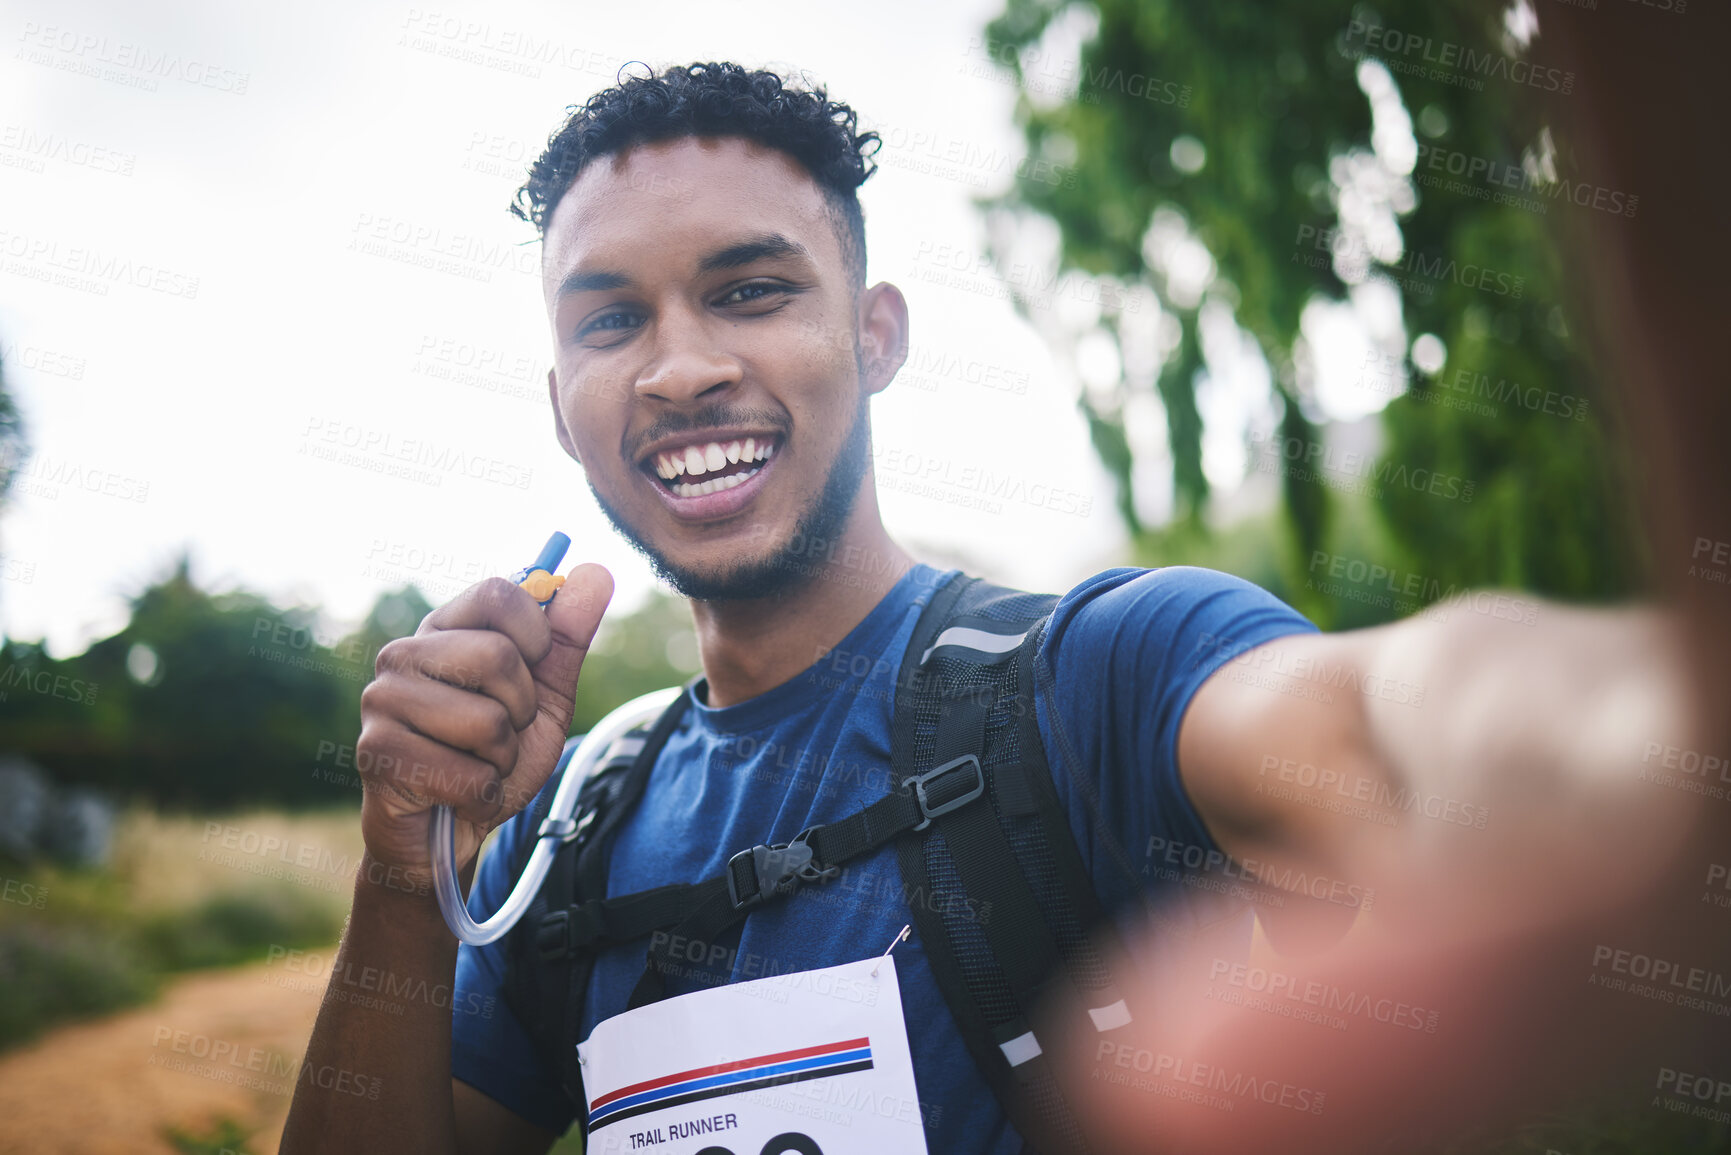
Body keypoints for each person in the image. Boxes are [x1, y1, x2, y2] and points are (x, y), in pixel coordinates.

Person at [281, 61, 1713, 1155]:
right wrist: (409, 873)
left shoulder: (1106, 674)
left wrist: (1647, 741)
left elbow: (1396, 720)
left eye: (751, 289)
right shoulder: (561, 832)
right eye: (611, 321)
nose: (678, 369)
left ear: (876, 333)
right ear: (560, 403)